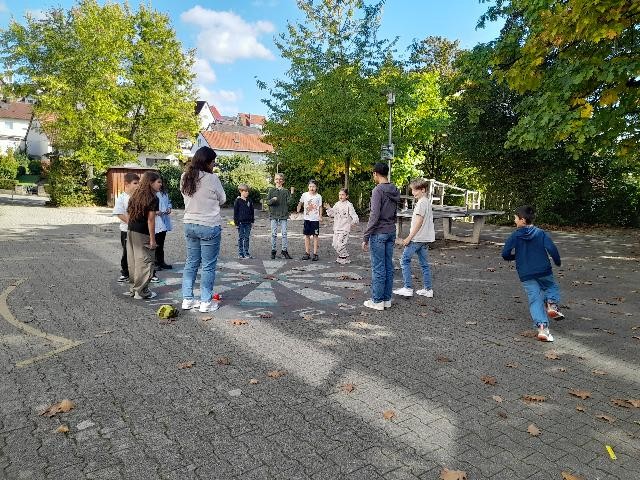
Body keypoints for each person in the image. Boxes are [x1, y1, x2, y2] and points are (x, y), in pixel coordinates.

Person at [501, 205, 564, 342]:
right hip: (543, 270)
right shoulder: (540, 233)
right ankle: (552, 304)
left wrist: (515, 257)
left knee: (534, 299)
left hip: (526, 274)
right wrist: (557, 261)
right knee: (551, 286)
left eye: (516, 218)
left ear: (522, 220)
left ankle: (542, 328)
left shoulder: (515, 236)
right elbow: (552, 249)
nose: (514, 221)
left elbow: (505, 254)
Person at [181, 146, 226, 313]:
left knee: (191, 263)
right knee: (208, 265)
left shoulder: (185, 177)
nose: (214, 165)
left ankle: (187, 299)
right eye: (213, 162)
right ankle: (206, 302)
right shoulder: (212, 178)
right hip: (209, 224)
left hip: (189, 223)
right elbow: (223, 199)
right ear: (207, 162)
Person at [362, 163, 400, 310]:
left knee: (378, 268)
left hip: (379, 233)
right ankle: (386, 299)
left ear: (375, 174)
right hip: (391, 230)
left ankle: (377, 301)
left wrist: (366, 236)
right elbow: (395, 212)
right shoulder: (394, 189)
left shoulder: (378, 190)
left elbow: (374, 215)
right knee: (388, 266)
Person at [393, 179, 435, 298]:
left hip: (417, 239)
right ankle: (428, 289)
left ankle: (408, 288)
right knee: (424, 264)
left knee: (404, 261)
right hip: (425, 239)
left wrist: (408, 238)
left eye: (415, 190)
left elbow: (419, 222)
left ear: (423, 190)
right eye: (412, 190)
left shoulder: (421, 203)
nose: (413, 193)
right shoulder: (426, 202)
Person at [126, 171, 163, 299]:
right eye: (158, 182)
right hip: (142, 233)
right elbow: (151, 220)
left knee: (133, 261)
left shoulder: (135, 195)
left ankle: (133, 289)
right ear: (150, 182)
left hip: (131, 231)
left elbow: (129, 213)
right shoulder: (153, 198)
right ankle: (142, 292)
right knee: (145, 262)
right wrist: (152, 239)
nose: (160, 185)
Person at [112, 172, 139, 283]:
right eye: (135, 183)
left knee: (140, 252)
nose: (138, 185)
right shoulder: (122, 198)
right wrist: (131, 223)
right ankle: (125, 273)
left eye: (138, 183)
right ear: (127, 184)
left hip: (139, 230)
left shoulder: (139, 197)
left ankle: (141, 273)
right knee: (127, 251)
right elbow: (119, 213)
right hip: (126, 230)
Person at [324, 188, 359, 264]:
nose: (341, 196)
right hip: (336, 228)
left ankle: (345, 257)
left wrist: (353, 222)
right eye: (339, 194)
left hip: (344, 228)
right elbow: (332, 214)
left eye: (342, 195)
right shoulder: (337, 204)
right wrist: (328, 208)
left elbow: (354, 216)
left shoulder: (349, 205)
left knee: (340, 244)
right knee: (335, 244)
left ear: (347, 196)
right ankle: (341, 256)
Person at [266, 173, 294, 260]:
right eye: (277, 179)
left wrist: (292, 193)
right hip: (274, 215)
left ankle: (284, 250)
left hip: (283, 215)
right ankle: (273, 250)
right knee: (273, 234)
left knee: (284, 234)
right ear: (274, 180)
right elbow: (268, 202)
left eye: (280, 179)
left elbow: (290, 203)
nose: (278, 181)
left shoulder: (285, 191)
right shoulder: (271, 190)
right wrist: (273, 199)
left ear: (283, 181)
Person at [297, 179, 323, 261]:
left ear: (316, 187)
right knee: (307, 235)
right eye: (310, 186)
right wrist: (298, 208)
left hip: (315, 219)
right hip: (307, 219)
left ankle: (315, 253)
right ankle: (307, 253)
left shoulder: (318, 196)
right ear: (308, 187)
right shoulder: (305, 195)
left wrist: (320, 216)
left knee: (315, 236)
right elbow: (300, 202)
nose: (312, 188)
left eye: (313, 186)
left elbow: (320, 207)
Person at [154, 180, 173, 270]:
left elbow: (169, 202)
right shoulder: (151, 193)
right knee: (156, 242)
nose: (160, 184)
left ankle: (161, 262)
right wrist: (155, 211)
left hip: (164, 219)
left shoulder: (164, 193)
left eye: (161, 182)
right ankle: (155, 263)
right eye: (158, 182)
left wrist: (169, 208)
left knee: (161, 242)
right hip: (156, 220)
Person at [233, 183, 255, 259]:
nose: (247, 192)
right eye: (245, 191)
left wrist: (252, 221)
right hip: (241, 223)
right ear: (241, 191)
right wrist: (236, 223)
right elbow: (235, 213)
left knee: (247, 238)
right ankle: (240, 253)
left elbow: (252, 211)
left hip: (248, 223)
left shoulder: (249, 200)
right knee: (241, 238)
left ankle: (246, 252)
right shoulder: (237, 201)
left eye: (248, 191)